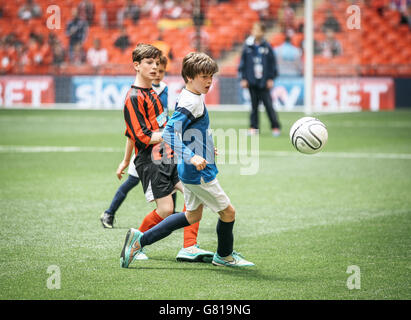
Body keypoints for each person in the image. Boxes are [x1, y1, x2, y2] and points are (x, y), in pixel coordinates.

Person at [120, 51, 255, 269]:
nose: (209, 81)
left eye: (211, 76)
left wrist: (206, 148)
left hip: (189, 170)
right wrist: (192, 156)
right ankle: (225, 256)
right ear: (190, 77)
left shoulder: (190, 95)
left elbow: (189, 130)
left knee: (191, 215)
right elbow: (170, 133)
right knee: (228, 213)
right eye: (204, 77)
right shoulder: (191, 101)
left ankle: (139, 241)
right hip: (197, 172)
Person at [115, 44, 213, 263]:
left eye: (157, 63)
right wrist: (126, 160)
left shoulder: (152, 93)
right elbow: (139, 137)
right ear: (136, 66)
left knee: (195, 192)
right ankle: (136, 243)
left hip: (168, 154)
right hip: (150, 160)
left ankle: (189, 246)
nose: (154, 67)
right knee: (167, 209)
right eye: (149, 63)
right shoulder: (133, 97)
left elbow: (166, 126)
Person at [101, 55, 169, 230]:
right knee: (131, 182)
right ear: (138, 66)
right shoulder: (137, 96)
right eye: (153, 66)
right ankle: (109, 213)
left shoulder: (162, 91)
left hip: (162, 150)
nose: (157, 72)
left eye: (160, 69)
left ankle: (172, 221)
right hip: (146, 152)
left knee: (174, 184)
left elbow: (163, 121)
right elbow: (135, 133)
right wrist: (125, 159)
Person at [238, 22, 281, 137]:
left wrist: (271, 78)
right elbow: (243, 63)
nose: (255, 32)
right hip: (252, 81)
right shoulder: (247, 47)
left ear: (263, 32)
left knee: (268, 105)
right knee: (253, 106)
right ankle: (254, 127)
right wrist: (243, 78)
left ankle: (275, 127)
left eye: (258, 30)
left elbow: (272, 64)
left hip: (264, 82)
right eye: (254, 29)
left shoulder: (267, 47)